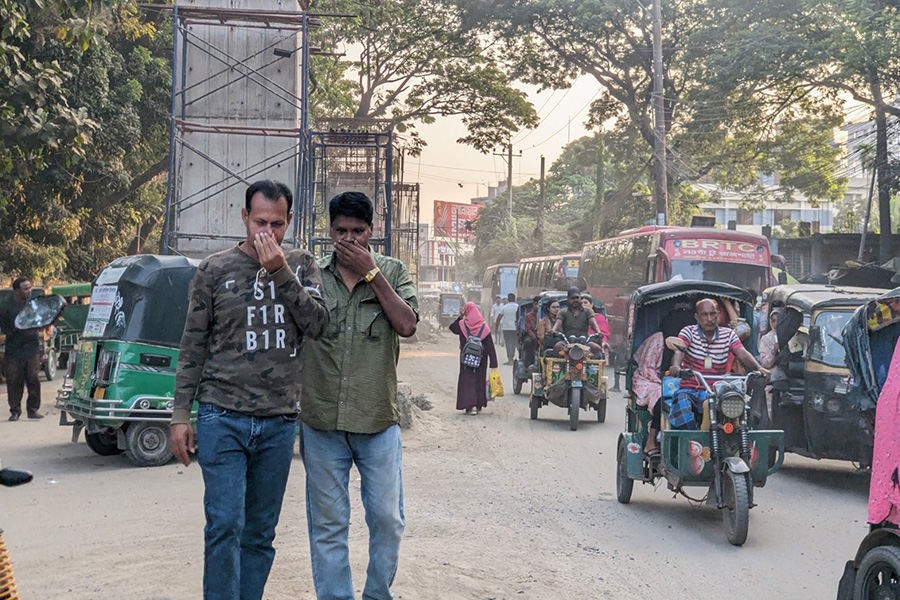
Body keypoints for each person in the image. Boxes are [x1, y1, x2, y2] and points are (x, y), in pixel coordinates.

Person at [170, 179, 330, 600]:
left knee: (260, 532)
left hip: (278, 420)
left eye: (277, 224)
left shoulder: (303, 264)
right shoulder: (214, 269)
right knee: (224, 523)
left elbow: (317, 324)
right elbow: (193, 344)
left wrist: (280, 270)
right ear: (244, 217)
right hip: (222, 415)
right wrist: (180, 415)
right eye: (259, 222)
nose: (267, 232)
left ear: (289, 221)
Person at [300, 191, 418, 600]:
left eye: (358, 231)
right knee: (329, 526)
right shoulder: (312, 275)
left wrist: (373, 275)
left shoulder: (395, 272)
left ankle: (376, 595)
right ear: (329, 231)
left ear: (372, 232)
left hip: (376, 421)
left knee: (387, 520)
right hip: (321, 423)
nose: (349, 240)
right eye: (341, 231)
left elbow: (406, 325)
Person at [667, 298, 769, 431]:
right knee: (682, 406)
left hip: (716, 392)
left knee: (739, 411)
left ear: (719, 315)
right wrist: (676, 367)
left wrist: (759, 368)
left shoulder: (728, 334)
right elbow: (679, 351)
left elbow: (742, 353)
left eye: (713, 314)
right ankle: (692, 440)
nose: (709, 319)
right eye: (704, 315)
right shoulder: (688, 332)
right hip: (691, 390)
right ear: (697, 317)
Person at [0, 278, 44, 420]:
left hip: (32, 347)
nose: (28, 291)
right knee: (14, 380)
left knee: (33, 378)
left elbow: (42, 320)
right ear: (17, 290)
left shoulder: (34, 305)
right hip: (14, 349)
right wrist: (16, 329)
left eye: (30, 288)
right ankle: (15, 410)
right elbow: (5, 328)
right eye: (25, 288)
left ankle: (33, 409)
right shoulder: (7, 308)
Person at [449, 302, 499, 414]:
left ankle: (469, 405)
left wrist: (460, 316)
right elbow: (490, 346)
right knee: (479, 380)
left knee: (467, 380)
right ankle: (478, 404)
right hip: (481, 358)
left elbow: (452, 328)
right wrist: (494, 363)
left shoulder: (462, 325)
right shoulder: (484, 327)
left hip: (466, 358)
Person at [497, 292, 518, 364]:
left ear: (508, 299)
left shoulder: (504, 307)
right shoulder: (518, 307)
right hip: (516, 327)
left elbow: (499, 317)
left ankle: (510, 359)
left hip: (506, 328)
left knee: (508, 342)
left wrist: (496, 327)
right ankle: (516, 357)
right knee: (515, 343)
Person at [522, 296, 540, 367]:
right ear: (533, 304)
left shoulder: (545, 315)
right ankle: (529, 364)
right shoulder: (528, 316)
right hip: (532, 336)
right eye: (536, 304)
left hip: (543, 336)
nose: (537, 306)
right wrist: (535, 337)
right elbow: (528, 329)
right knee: (528, 342)